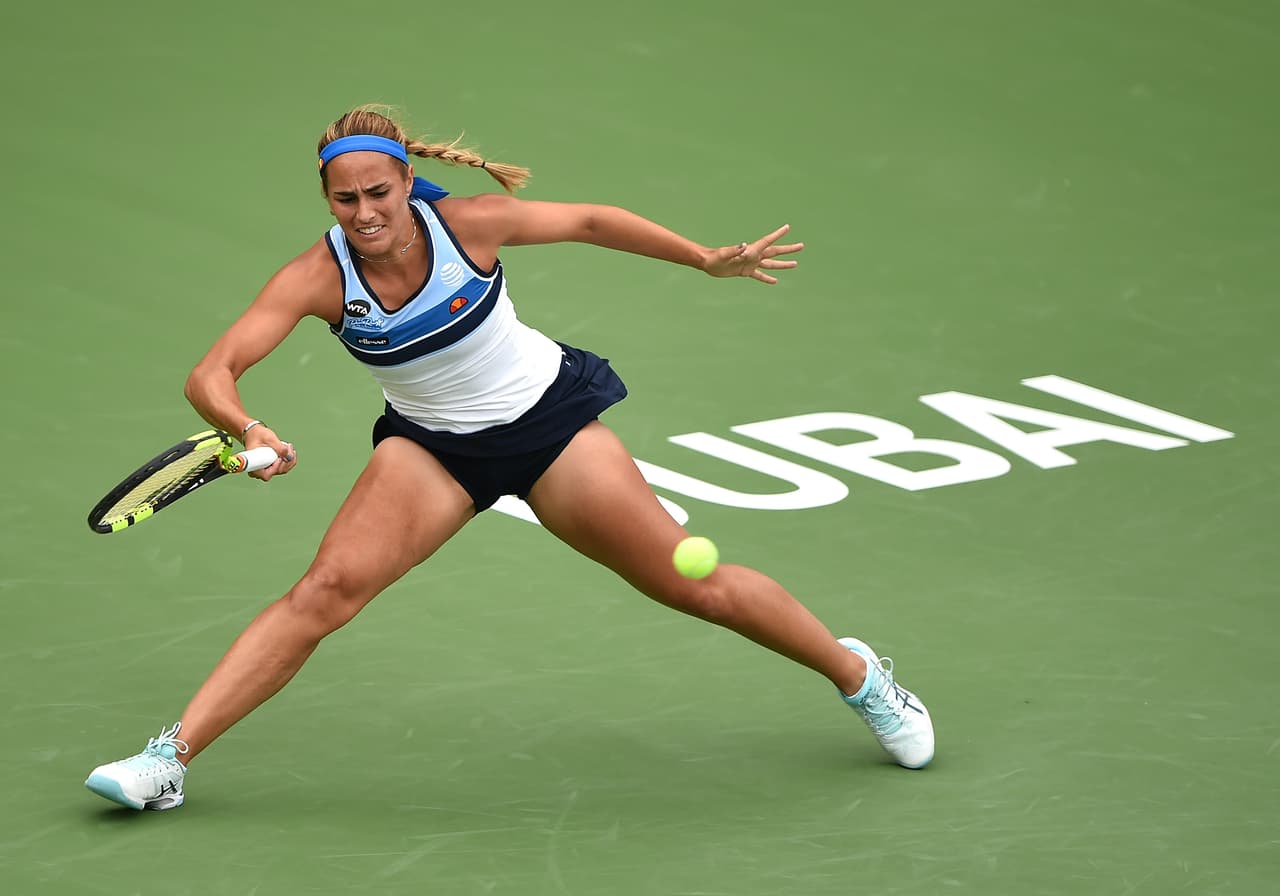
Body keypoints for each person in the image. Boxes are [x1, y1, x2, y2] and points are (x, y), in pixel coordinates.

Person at [84, 105, 934, 812]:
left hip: (549, 430)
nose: (364, 212)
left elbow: (591, 221)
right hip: (433, 451)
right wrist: (248, 427)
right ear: (327, 198)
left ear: (406, 181)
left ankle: (860, 677)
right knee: (323, 594)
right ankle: (168, 760)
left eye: (378, 192)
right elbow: (211, 374)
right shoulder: (317, 277)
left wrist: (705, 258)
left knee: (692, 584)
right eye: (345, 199)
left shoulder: (470, 226)